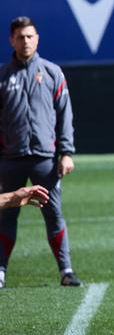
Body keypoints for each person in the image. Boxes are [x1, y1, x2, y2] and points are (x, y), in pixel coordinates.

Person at [0, 16, 80, 290]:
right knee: (6, 214)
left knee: (53, 213)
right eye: (20, 37)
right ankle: (0, 271)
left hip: (45, 159)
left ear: (37, 38)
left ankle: (66, 270)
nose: (26, 41)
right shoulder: (2, 76)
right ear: (12, 39)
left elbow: (64, 115)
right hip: (9, 159)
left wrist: (66, 152)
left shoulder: (52, 72)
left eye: (30, 36)